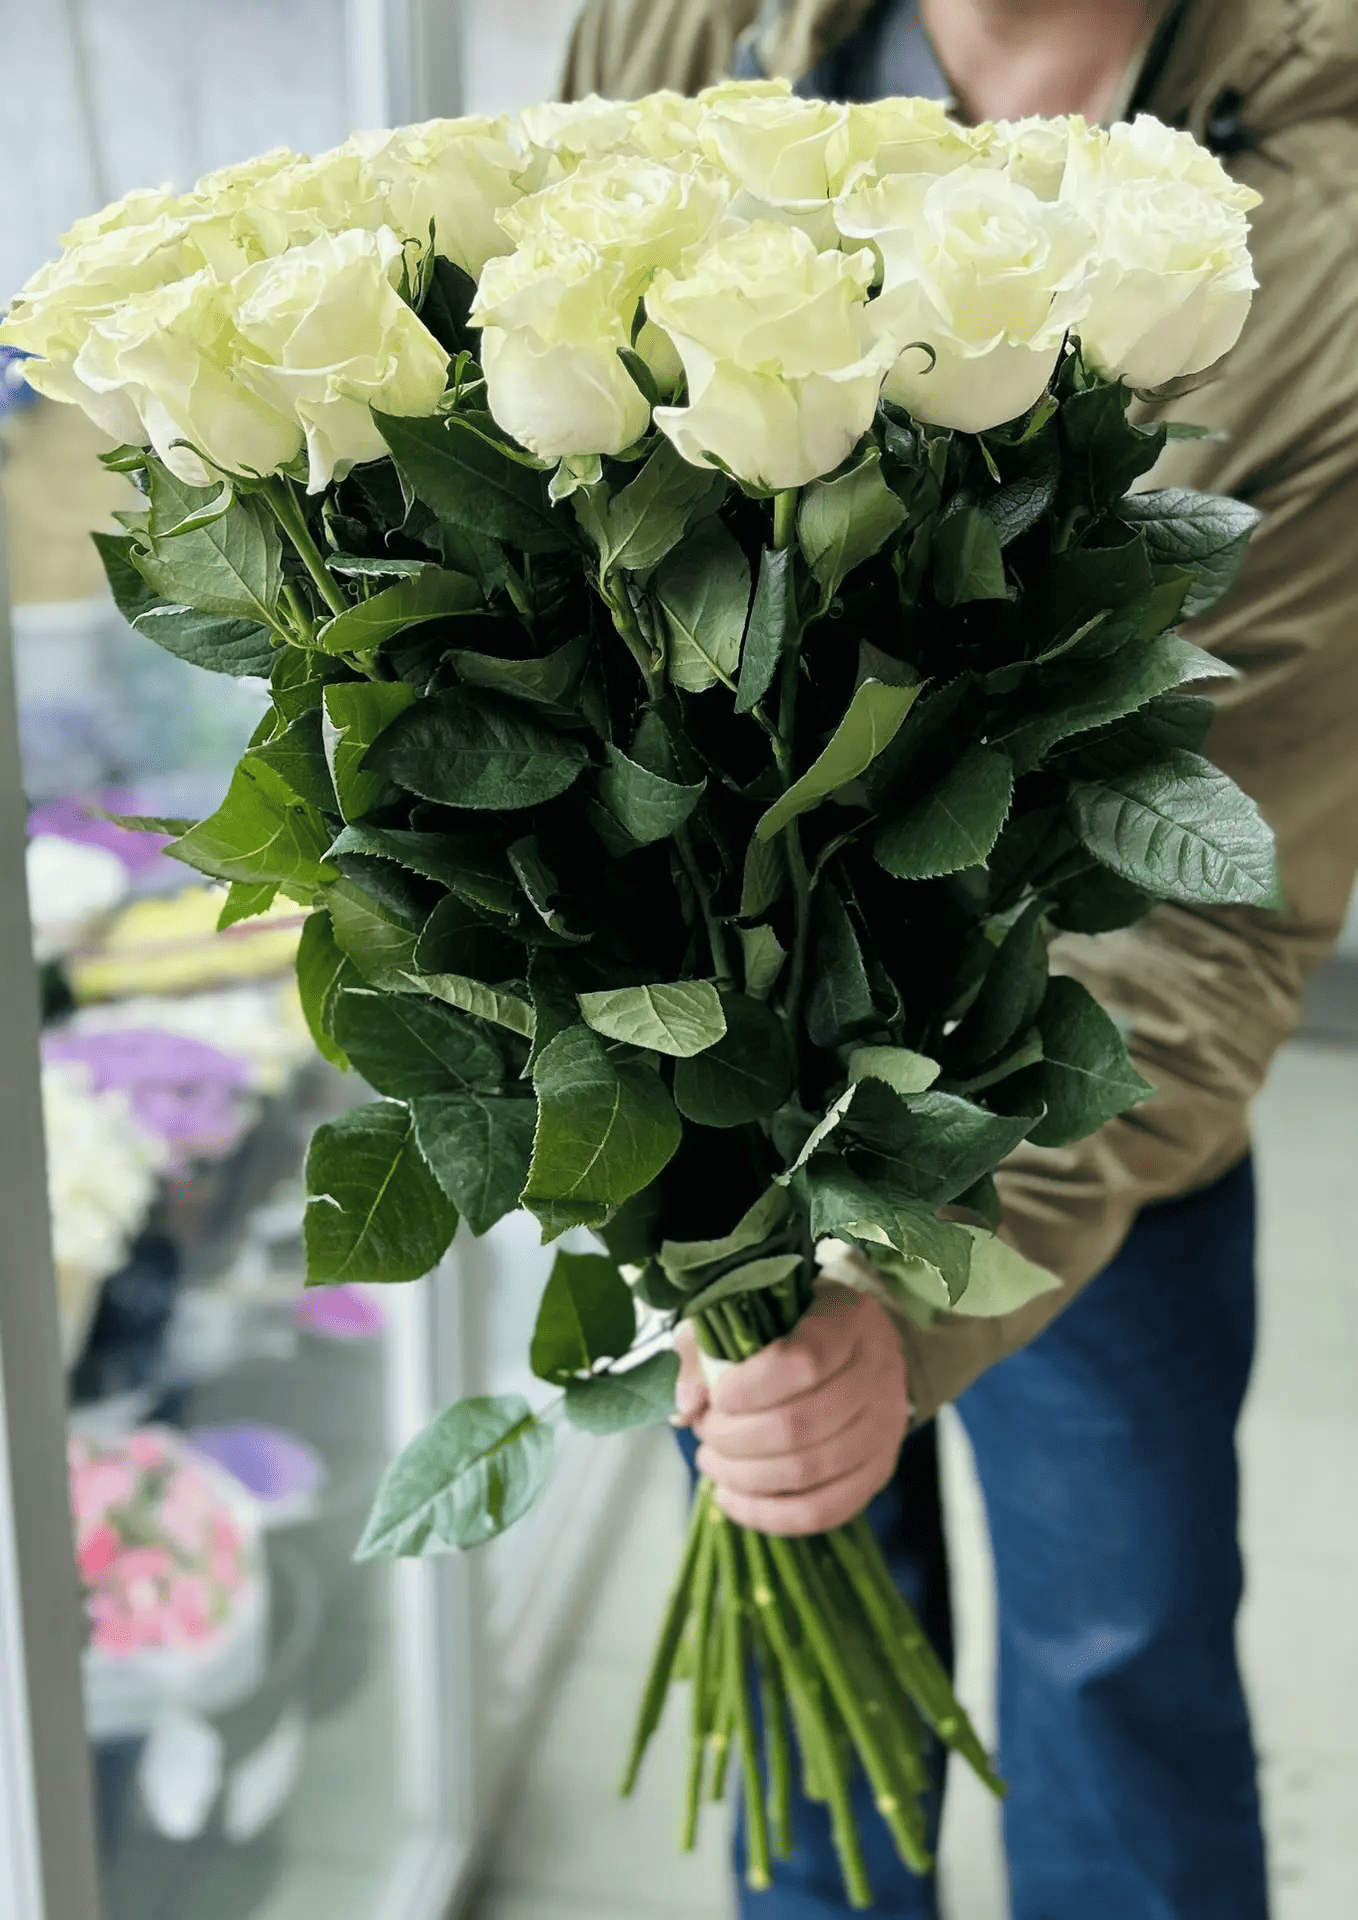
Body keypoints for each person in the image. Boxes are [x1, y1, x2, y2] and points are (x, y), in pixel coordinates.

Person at [560, 3, 1358, 1918]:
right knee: (806, 1713)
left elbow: (1220, 894)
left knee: (1118, 1675)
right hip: (732, 1109)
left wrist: (909, 1313)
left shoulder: (1323, 213)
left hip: (1091, 1108)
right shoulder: (689, 31)